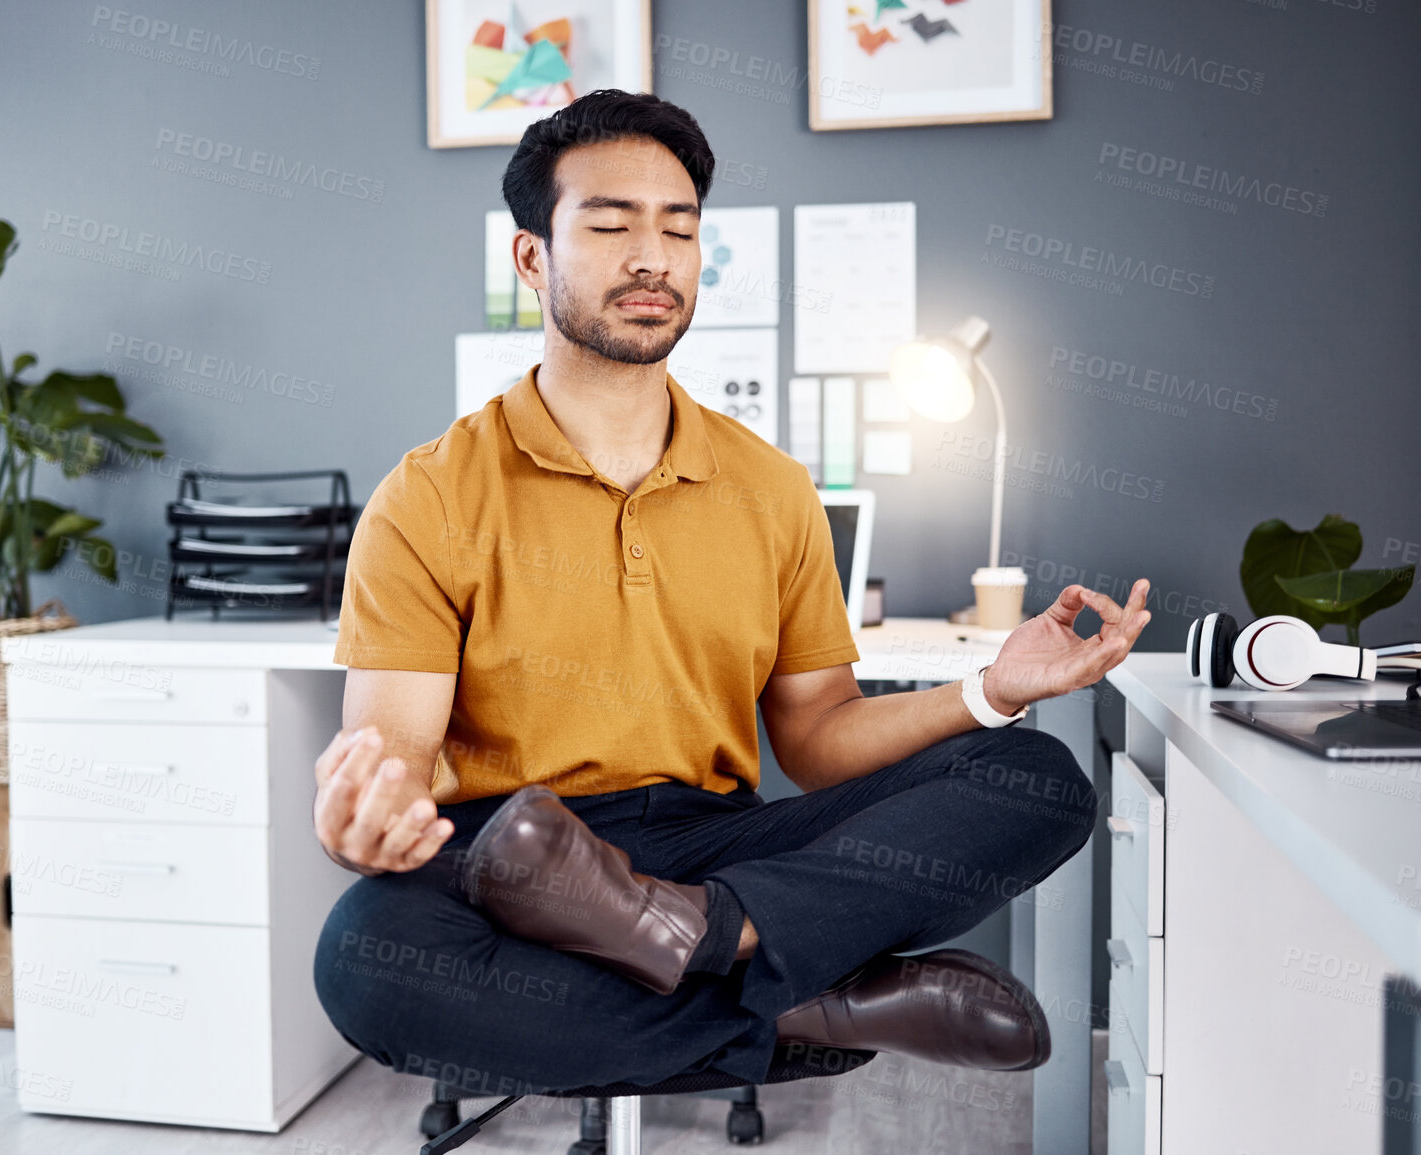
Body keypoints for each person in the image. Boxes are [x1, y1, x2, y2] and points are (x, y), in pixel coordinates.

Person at [310, 88, 1149, 1099]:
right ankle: (803, 998)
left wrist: (992, 689)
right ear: (532, 257)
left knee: (1036, 777)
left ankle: (714, 937)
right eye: (611, 225)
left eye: (680, 228)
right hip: (509, 849)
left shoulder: (771, 488)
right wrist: (371, 813)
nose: (652, 258)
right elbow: (394, 751)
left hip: (707, 840)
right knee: (368, 958)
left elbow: (819, 735)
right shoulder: (432, 491)